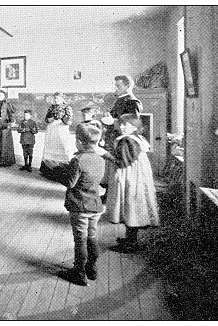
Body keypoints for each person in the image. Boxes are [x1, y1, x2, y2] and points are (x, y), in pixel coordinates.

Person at [106, 114, 159, 253]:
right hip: (137, 176)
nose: (122, 127)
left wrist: (105, 155)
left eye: (126, 125)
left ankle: (131, 242)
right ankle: (130, 238)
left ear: (135, 127)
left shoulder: (128, 141)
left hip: (130, 177)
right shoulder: (136, 138)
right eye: (121, 124)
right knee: (132, 206)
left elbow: (122, 162)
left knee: (130, 205)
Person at [61, 123, 106, 286]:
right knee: (92, 238)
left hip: (79, 206)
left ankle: (79, 273)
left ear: (79, 141)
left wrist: (60, 170)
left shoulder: (77, 160)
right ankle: (92, 269)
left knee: (80, 240)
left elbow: (70, 183)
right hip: (95, 205)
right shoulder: (100, 159)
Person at [39, 92, 75, 181]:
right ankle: (48, 172)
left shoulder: (67, 108)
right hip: (51, 130)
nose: (56, 100)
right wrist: (51, 119)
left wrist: (62, 118)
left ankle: (63, 173)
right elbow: (46, 119)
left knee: (63, 148)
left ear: (62, 99)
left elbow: (69, 121)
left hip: (61, 129)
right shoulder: (51, 107)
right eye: (55, 98)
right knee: (50, 147)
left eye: (58, 98)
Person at [101, 75, 143, 151]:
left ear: (127, 86)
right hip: (114, 142)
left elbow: (132, 125)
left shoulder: (133, 102)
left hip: (124, 145)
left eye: (118, 86)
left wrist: (113, 121)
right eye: (115, 86)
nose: (115, 88)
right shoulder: (119, 100)